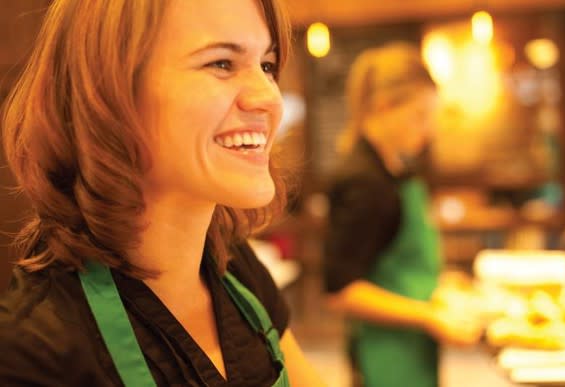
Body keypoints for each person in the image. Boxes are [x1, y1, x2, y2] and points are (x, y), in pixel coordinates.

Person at [0, 0, 324, 386]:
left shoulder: (235, 270)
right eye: (221, 63)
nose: (270, 99)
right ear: (107, 94)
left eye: (267, 65)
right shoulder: (33, 352)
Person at [323, 42, 482, 387]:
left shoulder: (396, 171)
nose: (429, 130)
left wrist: (440, 283)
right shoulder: (364, 182)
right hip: (384, 354)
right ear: (383, 107)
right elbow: (341, 291)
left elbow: (395, 260)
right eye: (419, 116)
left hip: (411, 346)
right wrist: (429, 315)